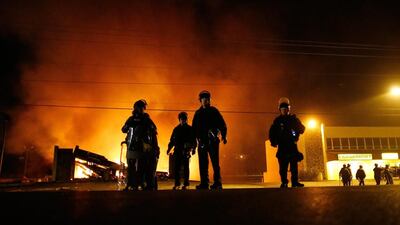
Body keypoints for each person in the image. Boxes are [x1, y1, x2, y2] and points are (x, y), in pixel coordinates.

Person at [121, 99, 160, 191]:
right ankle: (131, 184)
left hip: (142, 148)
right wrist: (129, 126)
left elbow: (153, 132)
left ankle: (140, 184)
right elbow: (123, 129)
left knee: (141, 167)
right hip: (131, 147)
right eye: (141, 107)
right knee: (130, 167)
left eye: (143, 108)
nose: (142, 109)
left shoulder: (146, 119)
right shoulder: (131, 119)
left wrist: (154, 146)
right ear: (136, 108)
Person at [192, 90, 227, 190]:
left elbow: (222, 124)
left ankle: (218, 182)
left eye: (207, 99)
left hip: (213, 142)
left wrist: (224, 136)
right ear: (200, 100)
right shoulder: (197, 114)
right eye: (204, 99)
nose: (206, 100)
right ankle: (204, 183)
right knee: (203, 163)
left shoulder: (214, 111)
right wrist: (194, 143)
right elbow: (194, 129)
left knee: (215, 163)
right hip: (202, 142)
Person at [269, 97, 305, 188]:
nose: (285, 110)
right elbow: (272, 132)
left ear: (289, 109)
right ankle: (284, 182)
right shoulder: (277, 121)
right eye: (283, 109)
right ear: (280, 110)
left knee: (294, 167)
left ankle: (295, 182)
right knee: (283, 167)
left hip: (292, 146)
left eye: (286, 108)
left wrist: (298, 129)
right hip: (282, 147)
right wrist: (273, 141)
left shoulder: (294, 119)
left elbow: (302, 128)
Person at [167, 112, 197, 190]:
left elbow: (194, 140)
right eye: (182, 119)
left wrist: (193, 149)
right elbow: (172, 140)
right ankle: (177, 183)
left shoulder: (190, 129)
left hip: (186, 151)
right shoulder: (176, 129)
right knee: (176, 168)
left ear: (186, 120)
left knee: (186, 168)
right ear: (179, 120)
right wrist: (169, 148)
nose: (183, 121)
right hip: (177, 151)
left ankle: (186, 184)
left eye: (184, 119)